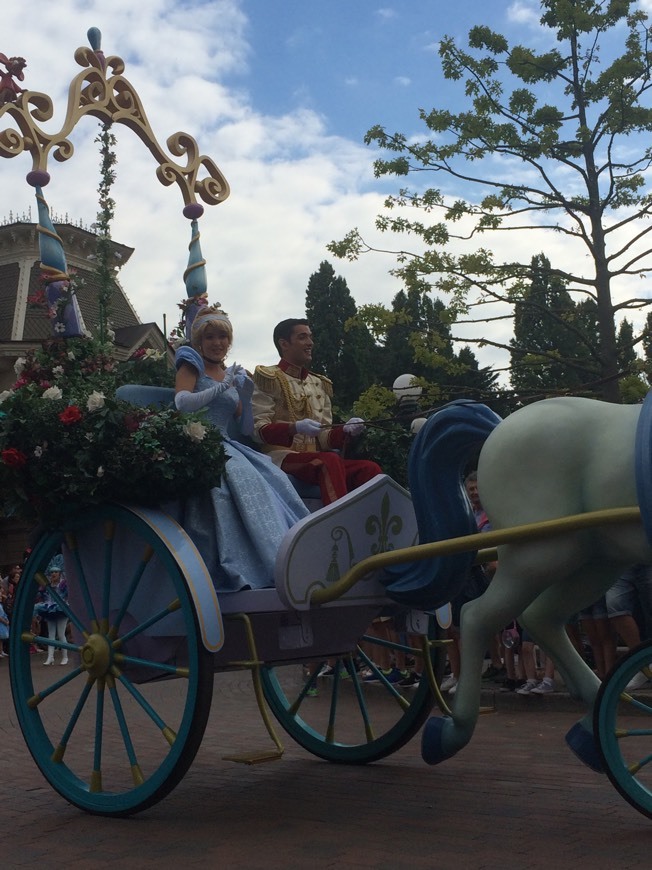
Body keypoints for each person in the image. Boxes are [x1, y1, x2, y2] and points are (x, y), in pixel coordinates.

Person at [175, 306, 309, 591]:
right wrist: (222, 387)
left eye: (222, 337)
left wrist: (246, 398)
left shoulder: (229, 372)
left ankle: (298, 551)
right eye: (210, 337)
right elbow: (182, 403)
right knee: (241, 478)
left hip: (229, 444)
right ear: (199, 341)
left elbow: (247, 428)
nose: (217, 343)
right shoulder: (191, 362)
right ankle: (269, 564)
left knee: (275, 477)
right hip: (201, 443)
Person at [252, 319, 382, 505]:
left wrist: (345, 430)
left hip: (316, 457)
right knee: (328, 461)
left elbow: (323, 437)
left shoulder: (319, 383)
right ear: (284, 344)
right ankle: (339, 523)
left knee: (369, 469)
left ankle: (375, 526)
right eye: (302, 337)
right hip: (281, 457)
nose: (310, 343)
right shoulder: (269, 378)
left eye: (310, 337)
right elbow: (258, 430)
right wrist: (293, 428)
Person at [35, 556, 69, 666]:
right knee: (51, 634)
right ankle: (50, 657)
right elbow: (41, 594)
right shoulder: (47, 585)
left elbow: (68, 595)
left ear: (60, 573)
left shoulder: (63, 584)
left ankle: (65, 656)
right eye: (52, 572)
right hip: (49, 609)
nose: (53, 574)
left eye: (56, 572)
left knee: (61, 633)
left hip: (61, 609)